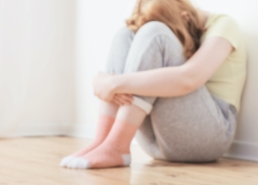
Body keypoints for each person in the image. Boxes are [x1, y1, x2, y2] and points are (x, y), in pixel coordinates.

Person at [61, 0, 247, 169]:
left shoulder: (224, 25)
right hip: (157, 141)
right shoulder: (185, 22)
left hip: (210, 137)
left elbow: (189, 78)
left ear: (184, 16)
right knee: (126, 34)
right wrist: (108, 83)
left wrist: (112, 83)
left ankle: (117, 146)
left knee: (155, 33)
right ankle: (103, 142)